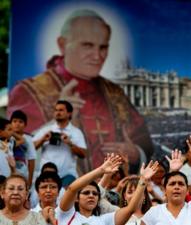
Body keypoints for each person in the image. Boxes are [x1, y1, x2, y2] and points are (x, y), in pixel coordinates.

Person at [7, 9, 153, 173]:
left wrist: (136, 152)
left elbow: (143, 140)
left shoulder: (115, 92)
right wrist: (56, 118)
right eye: (87, 45)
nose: (97, 56)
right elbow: (16, 146)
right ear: (62, 45)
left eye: (103, 47)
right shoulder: (28, 91)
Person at [57, 153, 158, 225]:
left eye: (95, 194)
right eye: (86, 193)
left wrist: (143, 180)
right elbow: (72, 189)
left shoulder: (106, 220)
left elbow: (130, 209)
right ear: (77, 198)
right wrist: (101, 170)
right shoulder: (66, 214)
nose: (91, 195)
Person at [33, 100, 86, 186]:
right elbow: (31, 148)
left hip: (67, 175)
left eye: (61, 110)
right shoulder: (46, 130)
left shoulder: (76, 132)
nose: (57, 112)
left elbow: (83, 154)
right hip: (47, 174)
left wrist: (70, 143)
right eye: (56, 110)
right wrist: (43, 139)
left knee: (65, 198)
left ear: (69, 113)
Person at [10, 110, 36, 187]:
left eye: (20, 122)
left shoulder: (28, 139)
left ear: (25, 125)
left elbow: (31, 160)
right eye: (14, 121)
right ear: (10, 123)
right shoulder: (6, 137)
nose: (17, 124)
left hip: (22, 171)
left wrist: (30, 180)